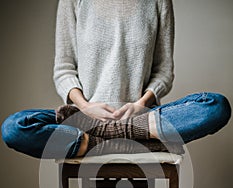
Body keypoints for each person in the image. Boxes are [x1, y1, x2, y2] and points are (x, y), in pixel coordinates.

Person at [1, 0, 231, 159]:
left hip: (143, 117)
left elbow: (164, 72)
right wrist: (85, 107)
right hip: (83, 119)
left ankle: (100, 141)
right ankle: (136, 141)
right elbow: (64, 70)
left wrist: (141, 105)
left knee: (215, 106)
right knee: (14, 128)